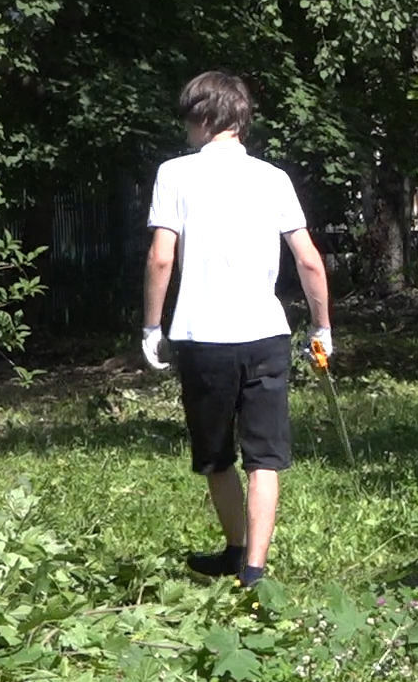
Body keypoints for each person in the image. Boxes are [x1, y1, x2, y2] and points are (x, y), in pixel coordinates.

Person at [141, 71, 332, 589]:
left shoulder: (174, 174)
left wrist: (151, 327)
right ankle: (253, 571)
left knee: (216, 455)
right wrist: (322, 328)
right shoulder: (273, 178)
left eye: (187, 118)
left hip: (202, 338)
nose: (184, 129)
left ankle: (234, 550)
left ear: (203, 117)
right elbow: (309, 262)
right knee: (265, 457)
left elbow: (162, 257)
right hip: (266, 333)